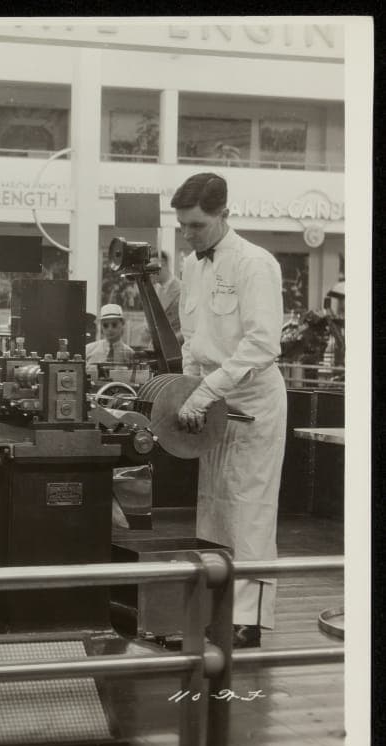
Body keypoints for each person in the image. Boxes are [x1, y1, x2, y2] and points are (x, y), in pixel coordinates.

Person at [172, 172, 286, 649]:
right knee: (215, 507)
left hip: (252, 401)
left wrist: (207, 391)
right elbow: (193, 342)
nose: (189, 235)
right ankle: (218, 613)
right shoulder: (193, 265)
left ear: (224, 215)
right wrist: (188, 389)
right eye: (183, 226)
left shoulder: (256, 264)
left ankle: (248, 622)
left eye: (197, 225)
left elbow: (263, 344)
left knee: (249, 511)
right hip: (212, 402)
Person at [150, 250, 182, 343]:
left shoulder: (183, 290)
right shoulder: (154, 290)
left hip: (176, 348)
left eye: (152, 268)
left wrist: (170, 341)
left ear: (163, 265)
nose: (149, 273)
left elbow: (190, 326)